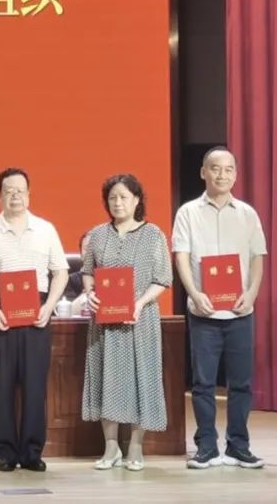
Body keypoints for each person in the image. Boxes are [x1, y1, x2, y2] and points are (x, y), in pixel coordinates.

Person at [0, 167, 67, 473]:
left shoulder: (45, 229)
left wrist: (49, 306)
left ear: (29, 194)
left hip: (37, 312)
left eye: (20, 191)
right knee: (2, 386)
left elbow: (60, 272)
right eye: (8, 191)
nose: (15, 196)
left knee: (35, 386)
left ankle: (32, 452)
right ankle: (6, 452)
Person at [172, 147, 267, 470]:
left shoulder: (247, 214)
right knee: (202, 384)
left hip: (241, 312)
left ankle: (239, 446)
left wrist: (251, 294)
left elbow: (257, 257)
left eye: (228, 169)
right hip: (204, 312)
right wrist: (194, 293)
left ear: (235, 175)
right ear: (204, 172)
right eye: (215, 168)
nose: (221, 174)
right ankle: (207, 446)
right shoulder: (187, 212)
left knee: (241, 384)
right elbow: (181, 257)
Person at [81, 174, 172, 472]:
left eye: (123, 197)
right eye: (112, 198)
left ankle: (135, 446)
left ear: (136, 200)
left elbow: (163, 279)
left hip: (140, 321)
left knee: (140, 378)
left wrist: (140, 302)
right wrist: (90, 293)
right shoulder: (98, 235)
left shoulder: (153, 234)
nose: (117, 202)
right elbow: (88, 272)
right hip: (105, 324)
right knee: (105, 378)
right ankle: (111, 447)